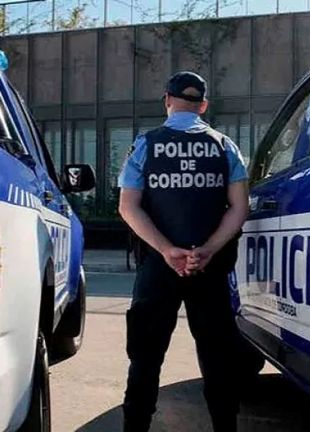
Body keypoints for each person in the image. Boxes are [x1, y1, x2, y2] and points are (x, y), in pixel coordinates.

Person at [117, 71, 250, 432]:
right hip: (211, 268)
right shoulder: (225, 146)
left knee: (145, 357)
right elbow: (239, 208)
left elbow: (128, 206)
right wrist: (207, 250)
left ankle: (135, 427)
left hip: (158, 268)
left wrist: (166, 250)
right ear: (203, 106)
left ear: (168, 101)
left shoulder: (146, 145)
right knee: (217, 356)